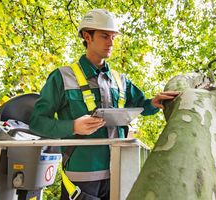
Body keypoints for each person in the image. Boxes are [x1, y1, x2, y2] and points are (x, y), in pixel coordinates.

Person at [30, 8, 179, 200]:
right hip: (82, 176)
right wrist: (73, 126)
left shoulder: (120, 81)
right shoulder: (62, 77)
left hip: (119, 171)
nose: (111, 42)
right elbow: (37, 122)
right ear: (87, 36)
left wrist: (154, 102)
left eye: (113, 37)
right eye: (104, 36)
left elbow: (143, 105)